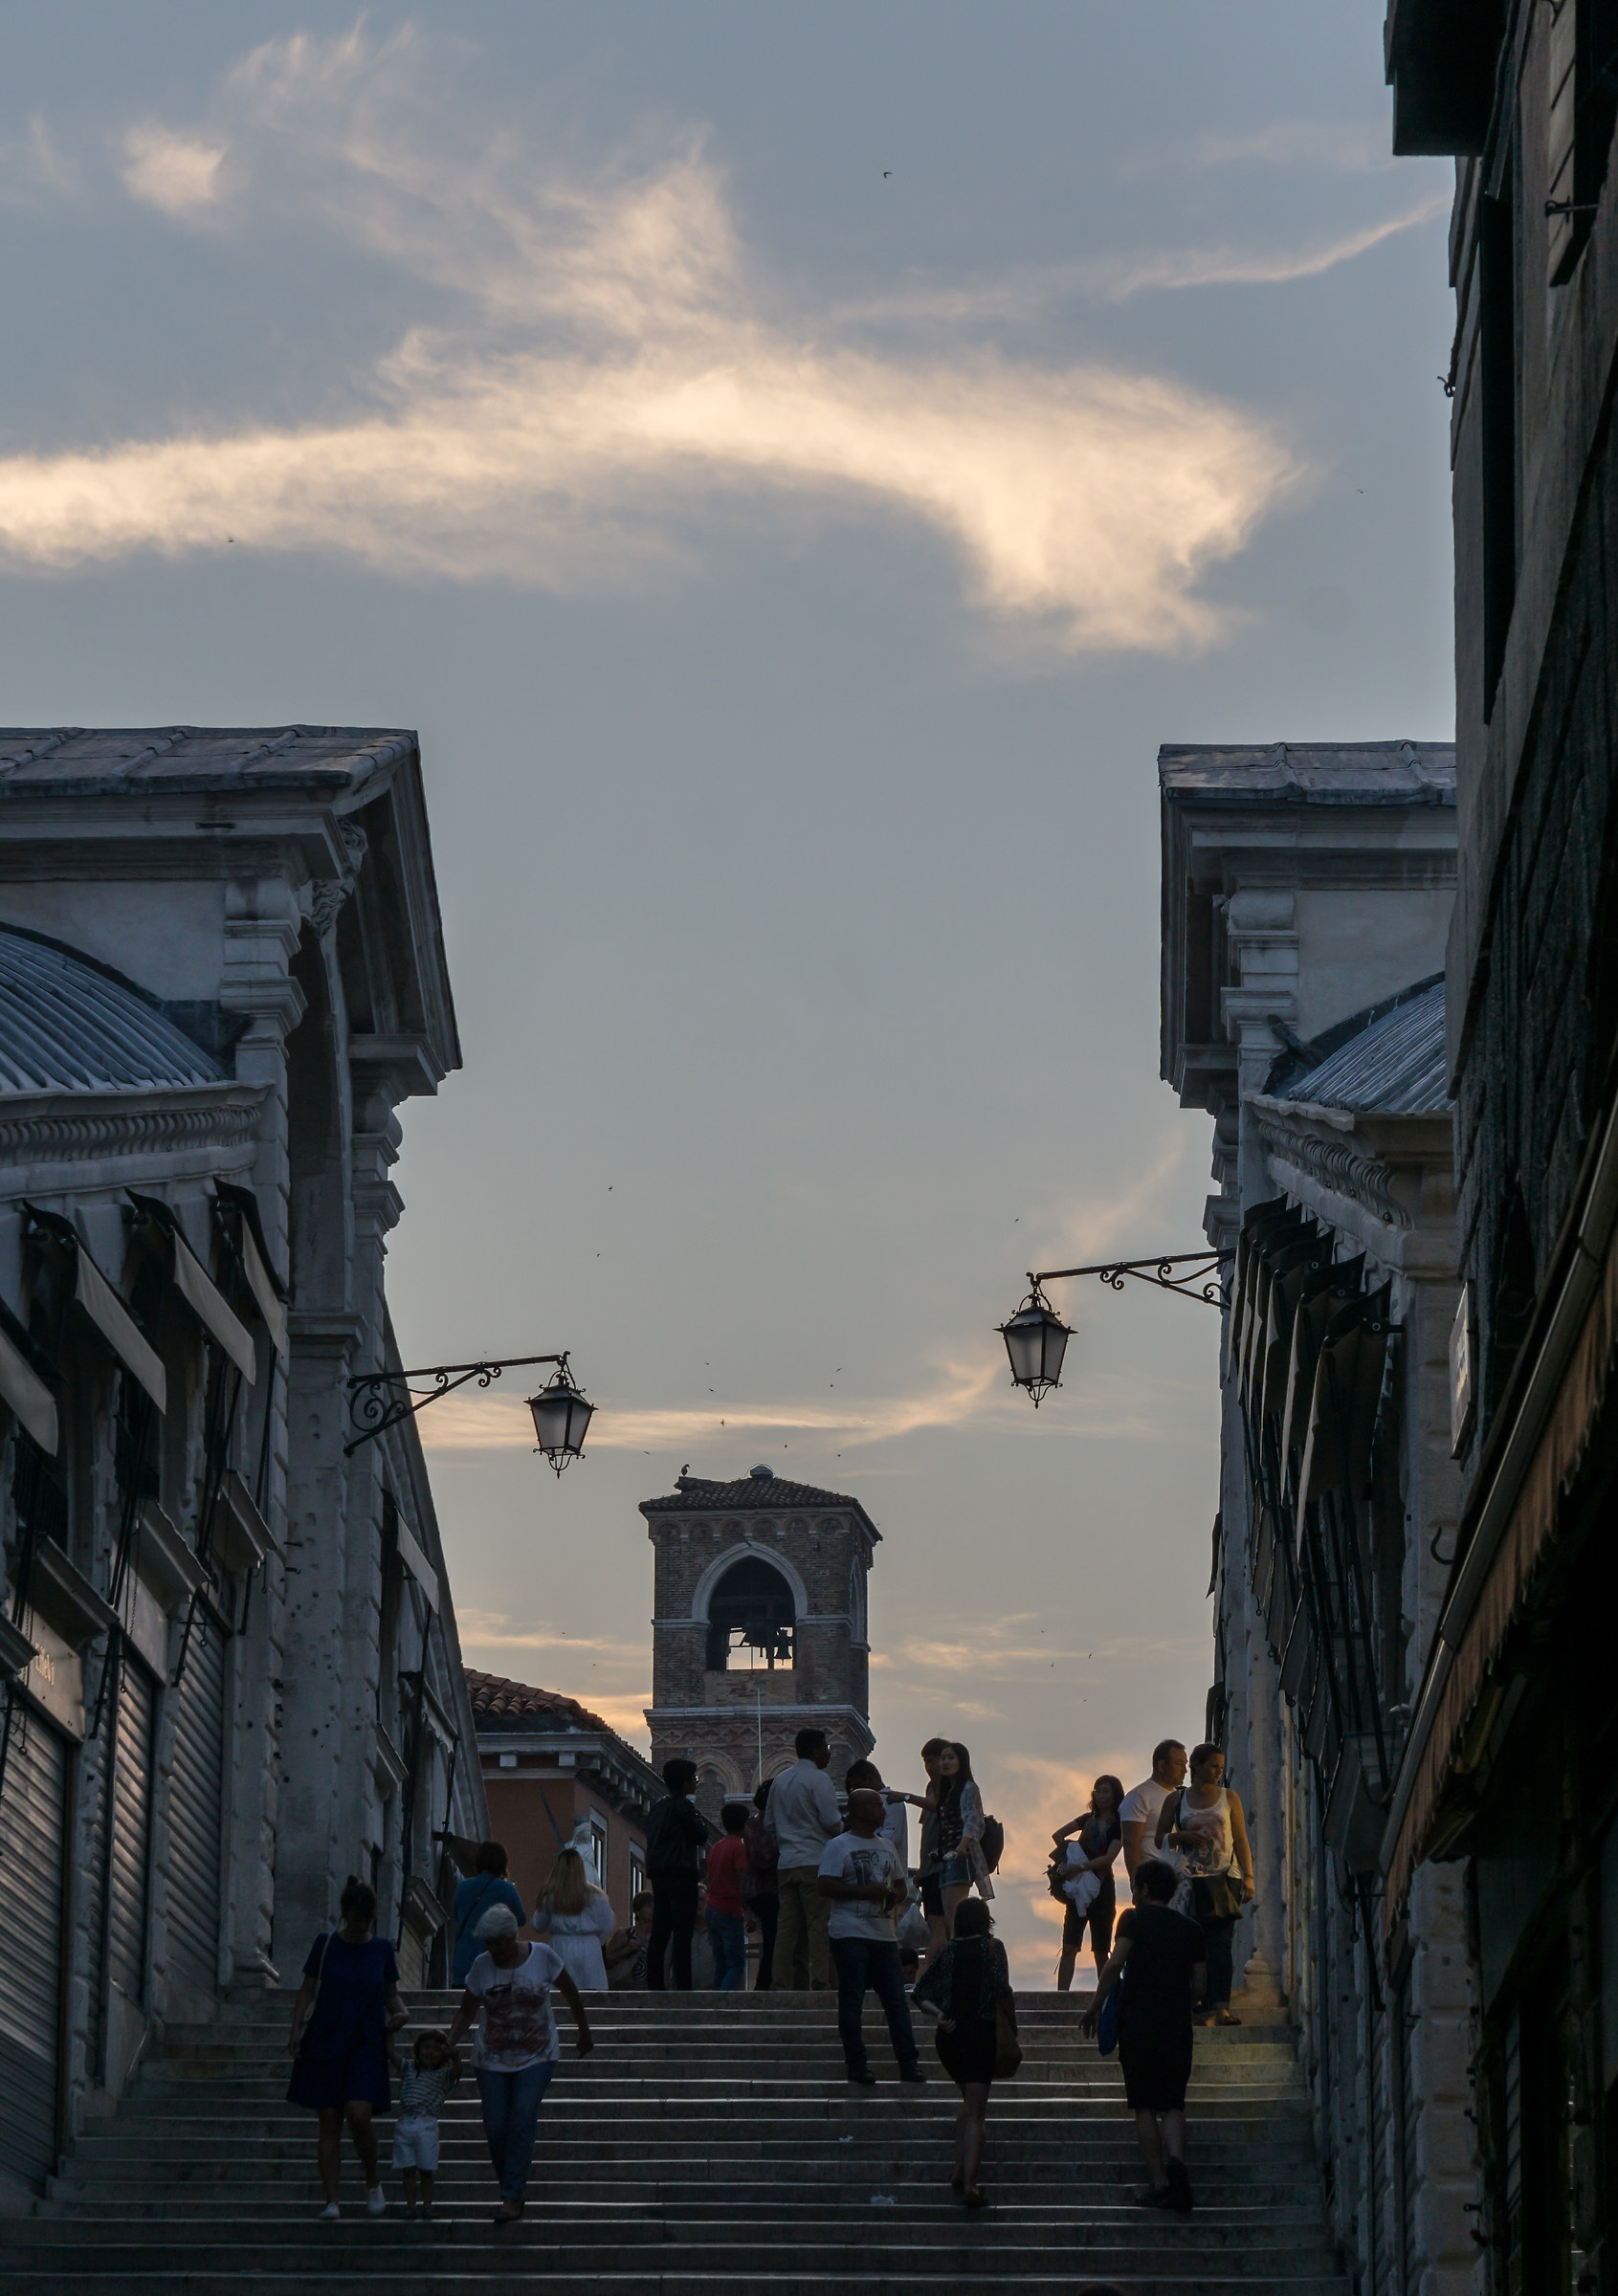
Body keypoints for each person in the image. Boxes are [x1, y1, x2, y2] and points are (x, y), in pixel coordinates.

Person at [446, 1901, 593, 2222]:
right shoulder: (482, 1966)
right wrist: (449, 2042)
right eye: (489, 1944)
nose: (495, 1950)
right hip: (491, 2058)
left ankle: (512, 2195)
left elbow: (570, 1991)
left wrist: (583, 2030)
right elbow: (466, 2011)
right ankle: (510, 2187)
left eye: (500, 1942)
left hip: (538, 2053)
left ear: (513, 1936)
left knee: (523, 2114)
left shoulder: (542, 1956)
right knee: (497, 2126)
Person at [1081, 1858, 1206, 2216]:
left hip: (1138, 2024)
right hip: (1177, 2025)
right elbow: (1201, 1986)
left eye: (1135, 1888)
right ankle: (1177, 2161)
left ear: (1144, 1889)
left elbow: (1116, 1962)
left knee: (1145, 2105)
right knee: (1174, 2103)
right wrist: (1183, 2002)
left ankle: (1159, 2184)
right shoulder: (1192, 1929)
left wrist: (1095, 2006)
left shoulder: (1132, 1919)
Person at [286, 1876, 408, 2219]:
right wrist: (296, 2027)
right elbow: (309, 1988)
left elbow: (390, 1993)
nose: (360, 1927)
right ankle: (332, 2201)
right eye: (355, 1921)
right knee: (328, 2118)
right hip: (326, 2037)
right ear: (345, 1915)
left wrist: (401, 2012)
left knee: (358, 2114)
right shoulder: (326, 1944)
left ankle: (372, 2180)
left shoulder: (382, 1949)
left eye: (366, 1922)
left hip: (366, 2041)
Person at [816, 1786, 927, 2087]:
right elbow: (825, 1884)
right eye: (877, 1807)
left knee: (896, 2002)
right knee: (852, 2000)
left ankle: (909, 2063)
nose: (882, 1812)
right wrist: (862, 1891)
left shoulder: (886, 1846)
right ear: (860, 1811)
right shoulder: (838, 1846)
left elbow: (902, 1886)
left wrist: (892, 1896)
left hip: (884, 1936)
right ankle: (857, 2065)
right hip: (850, 1933)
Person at [911, 1898, 1014, 2209]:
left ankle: (958, 2171)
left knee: (968, 2106)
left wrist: (938, 2015)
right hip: (980, 2035)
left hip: (950, 2037)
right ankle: (971, 2183)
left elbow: (919, 1993)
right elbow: (1002, 1991)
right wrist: (1012, 2028)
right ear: (986, 1921)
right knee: (977, 2113)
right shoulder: (993, 1949)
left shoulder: (946, 1951)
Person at [1153, 1741, 1254, 2026]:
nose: (1218, 1772)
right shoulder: (1176, 1801)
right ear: (1195, 1766)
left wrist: (1248, 1876)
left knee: (1221, 1942)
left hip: (1225, 1878)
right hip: (1192, 1880)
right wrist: (1182, 1837)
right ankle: (1195, 2002)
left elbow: (1241, 1838)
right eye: (1213, 1766)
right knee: (1193, 1942)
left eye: (1221, 1767)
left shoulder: (1229, 1797)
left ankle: (1220, 2008)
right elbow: (1159, 1838)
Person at [766, 1728, 842, 1989]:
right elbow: (831, 1821)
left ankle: (780, 1981)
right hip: (814, 1861)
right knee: (818, 1925)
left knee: (786, 1928)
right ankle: (820, 1980)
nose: (828, 1755)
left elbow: (769, 1824)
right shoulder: (819, 1780)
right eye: (825, 1749)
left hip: (786, 1863)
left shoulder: (780, 1781)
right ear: (814, 1750)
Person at [1052, 1775, 1124, 1991]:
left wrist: (1079, 1866)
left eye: (1105, 1791)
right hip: (1079, 1885)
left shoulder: (1119, 1825)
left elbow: (1109, 1858)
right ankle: (1061, 1997)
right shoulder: (1087, 1819)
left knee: (1101, 1949)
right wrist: (1070, 1854)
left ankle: (1106, 1996)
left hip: (1102, 1887)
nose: (1100, 1795)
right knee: (1069, 1946)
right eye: (1097, 1790)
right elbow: (1058, 1834)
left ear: (1115, 1795)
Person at [645, 1757, 711, 1990]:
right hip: (681, 1876)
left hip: (660, 1877)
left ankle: (654, 1984)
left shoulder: (658, 1807)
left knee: (660, 1932)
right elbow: (700, 1835)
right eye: (693, 1779)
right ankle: (683, 1985)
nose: (696, 1782)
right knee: (683, 1932)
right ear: (684, 1784)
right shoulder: (683, 1806)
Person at [388, 2028, 459, 2218]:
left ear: (443, 2054)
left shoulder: (443, 2076)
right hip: (405, 2122)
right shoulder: (408, 2069)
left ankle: (427, 2204)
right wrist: (388, 2033)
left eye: (436, 2049)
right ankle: (410, 2205)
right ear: (418, 2050)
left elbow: (457, 2072)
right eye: (426, 2047)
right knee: (408, 2169)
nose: (430, 2052)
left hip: (427, 2123)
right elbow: (391, 2054)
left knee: (426, 2169)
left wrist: (456, 2057)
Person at [531, 1844, 618, 1991]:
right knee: (591, 1996)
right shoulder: (597, 1897)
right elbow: (608, 1925)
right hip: (589, 1948)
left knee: (560, 1995)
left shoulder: (551, 1897)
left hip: (560, 1946)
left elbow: (538, 1925)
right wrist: (596, 1941)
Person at [450, 1843, 527, 1989]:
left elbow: (456, 1914)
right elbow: (521, 1919)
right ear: (502, 1863)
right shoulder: (507, 1889)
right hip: (497, 1961)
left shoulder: (463, 1887)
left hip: (464, 1961)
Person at [935, 1742, 992, 1936]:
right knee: (948, 1915)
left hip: (959, 1856)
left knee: (955, 1914)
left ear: (962, 1761)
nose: (945, 1762)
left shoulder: (968, 1788)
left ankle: (957, 1955)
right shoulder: (947, 1791)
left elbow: (973, 1820)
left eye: (951, 1757)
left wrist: (962, 1845)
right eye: (943, 1758)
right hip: (946, 1856)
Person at [906, 1738, 950, 1973]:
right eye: (926, 1762)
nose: (929, 1767)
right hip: (931, 1869)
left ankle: (928, 1978)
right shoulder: (931, 1787)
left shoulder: (951, 1787)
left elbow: (937, 1806)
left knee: (939, 1924)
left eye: (932, 1761)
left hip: (944, 1867)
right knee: (939, 1924)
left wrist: (906, 1797)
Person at [1119, 1740, 1187, 1884]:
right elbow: (1131, 1843)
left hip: (1178, 1878)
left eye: (1185, 1764)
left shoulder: (1180, 1797)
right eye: (1180, 1764)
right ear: (1162, 1765)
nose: (1185, 1770)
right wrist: (1137, 1882)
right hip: (1152, 1879)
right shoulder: (1139, 1796)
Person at [704, 1801, 750, 1991]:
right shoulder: (738, 1847)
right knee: (735, 1963)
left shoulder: (716, 1847)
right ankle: (725, 2005)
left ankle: (716, 2004)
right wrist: (748, 1910)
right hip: (729, 1910)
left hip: (712, 1908)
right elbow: (741, 1879)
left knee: (720, 1963)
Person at [743, 1781, 781, 1990]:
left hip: (760, 1892)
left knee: (772, 1939)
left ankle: (767, 1982)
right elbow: (763, 1858)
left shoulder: (752, 1824)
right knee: (773, 1940)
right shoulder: (761, 1825)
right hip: (767, 1891)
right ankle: (765, 1984)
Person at [846, 1756, 909, 1867]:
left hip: (889, 1870)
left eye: (857, 1786)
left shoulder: (891, 1801)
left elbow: (892, 1838)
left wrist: (862, 1840)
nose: (856, 1791)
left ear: (869, 1779)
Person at [605, 1890, 654, 1990]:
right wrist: (627, 1950)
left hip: (651, 1994)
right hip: (625, 1993)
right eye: (649, 1906)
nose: (653, 1909)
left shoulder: (660, 1938)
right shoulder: (624, 1935)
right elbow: (606, 1962)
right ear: (638, 1911)